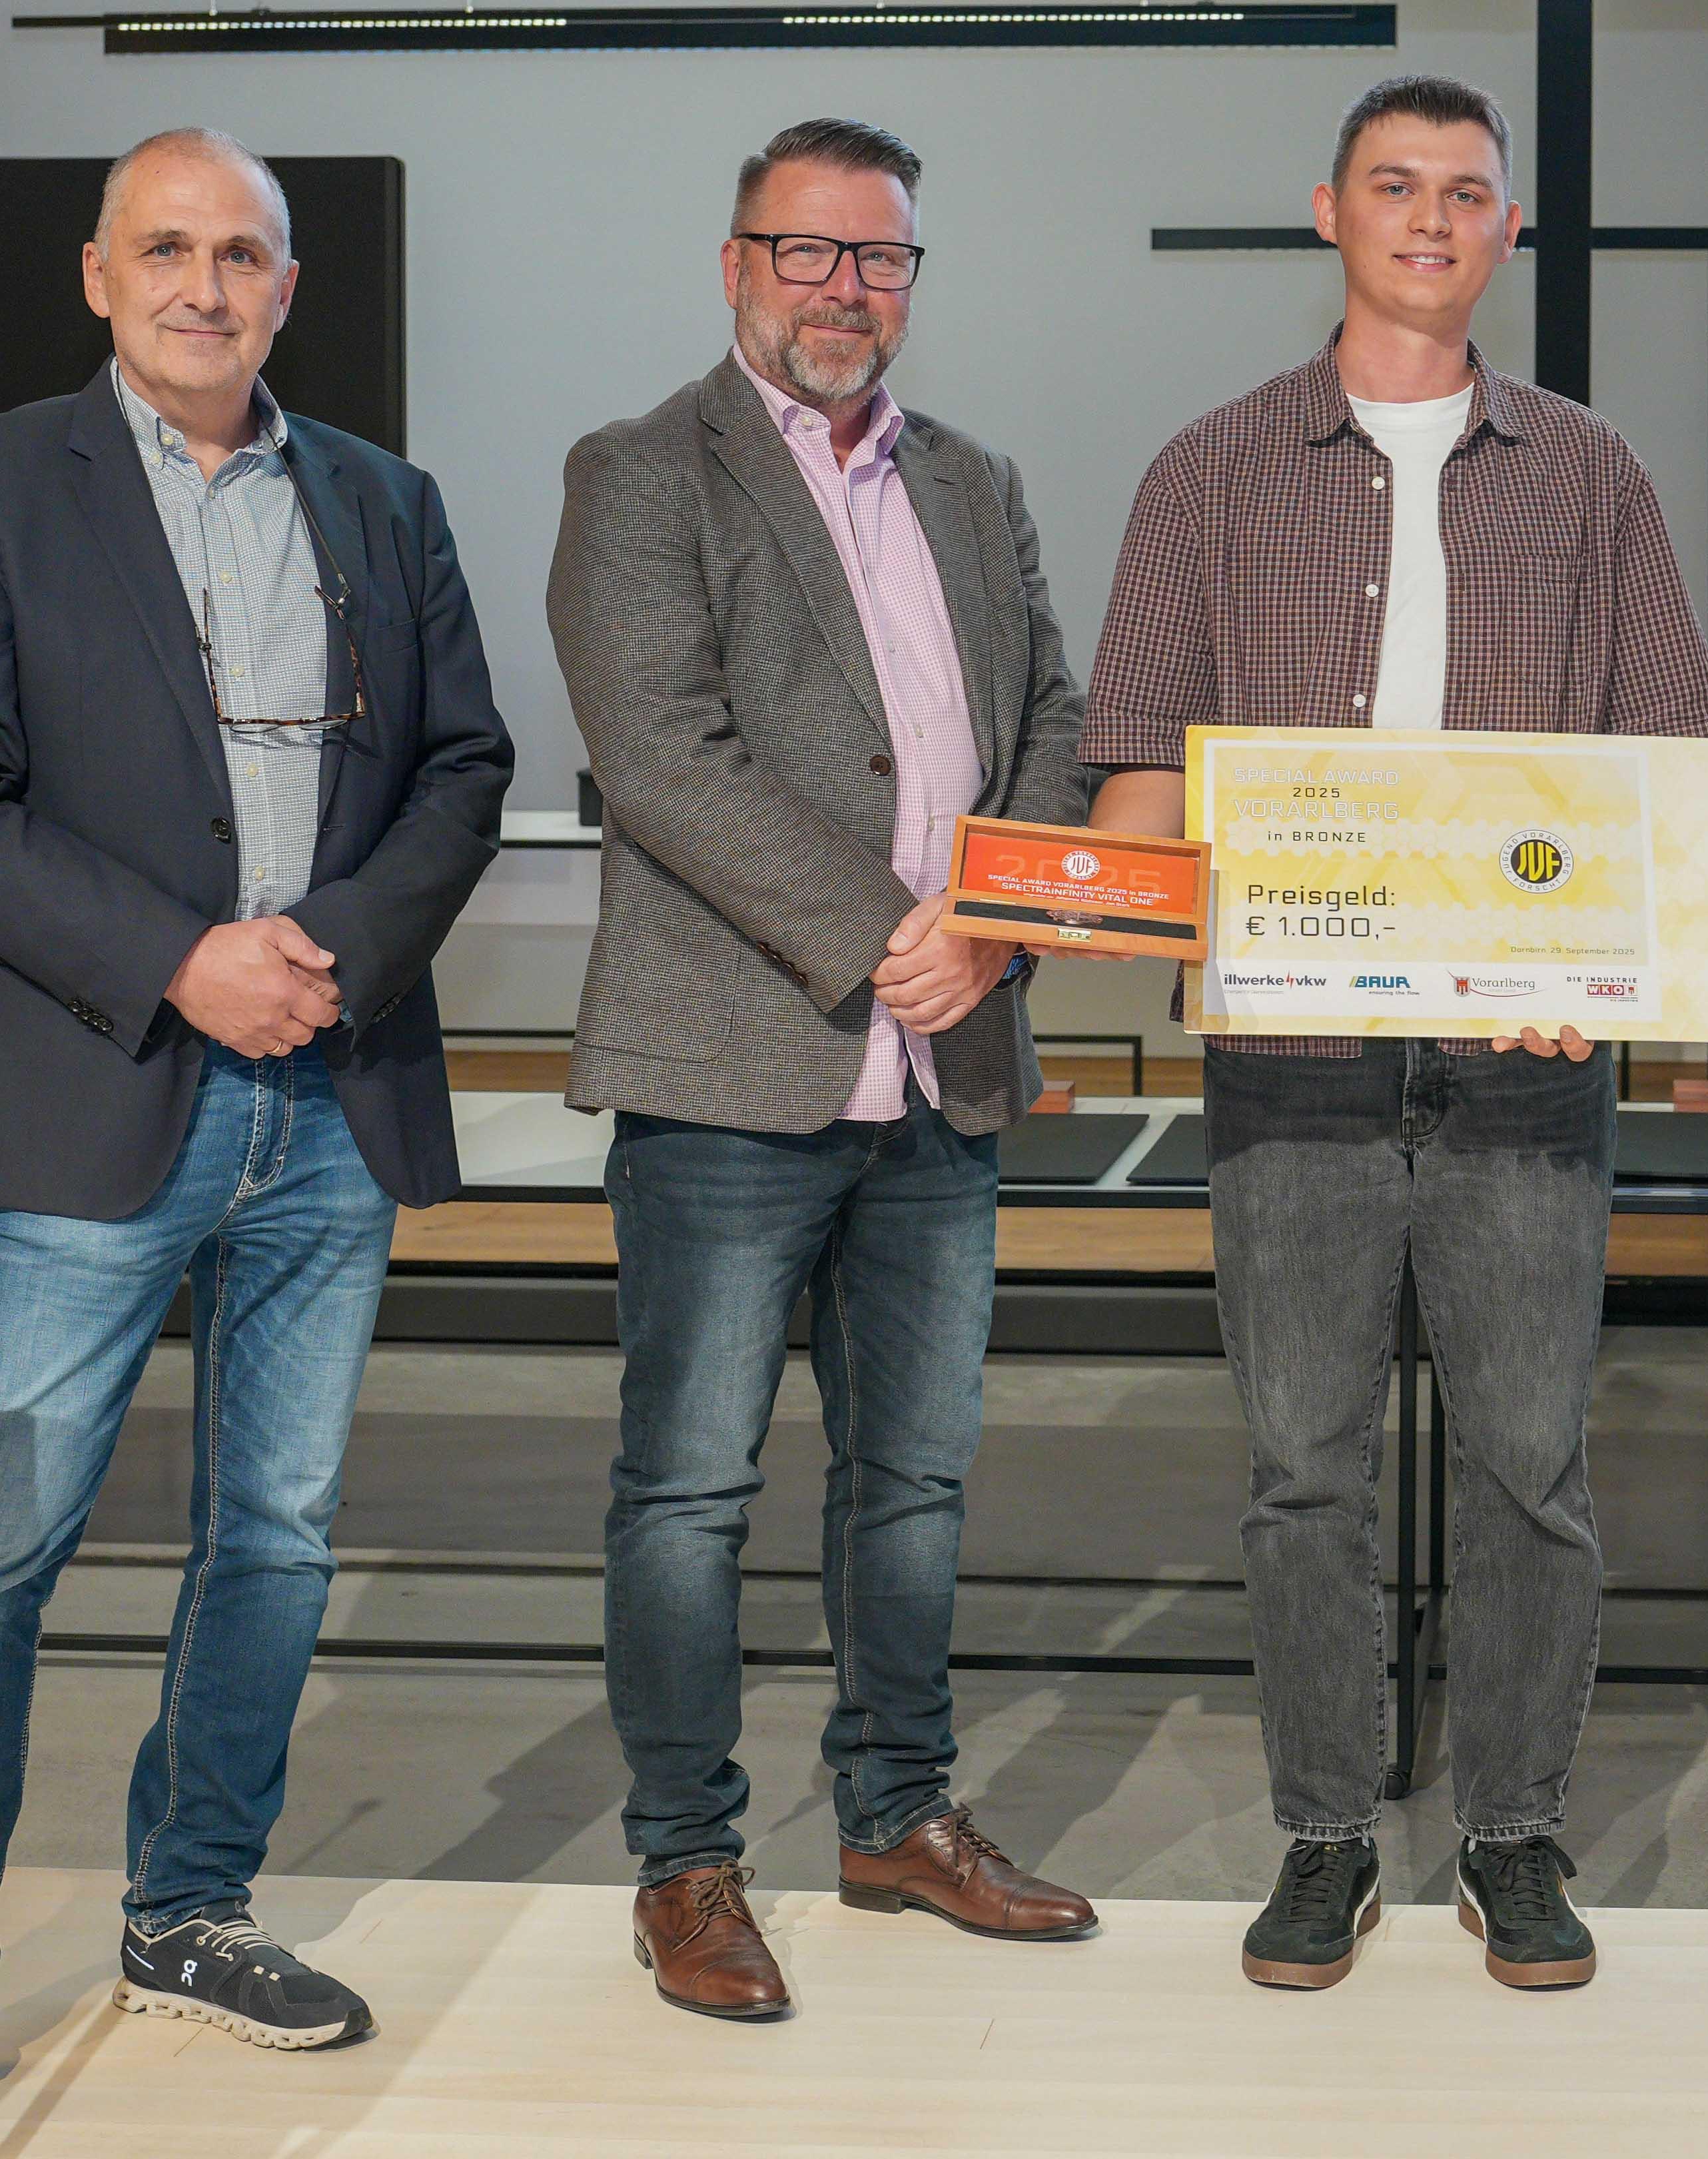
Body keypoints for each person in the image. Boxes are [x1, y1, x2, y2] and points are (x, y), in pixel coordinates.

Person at [0, 126, 512, 2155]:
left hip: (331, 1094)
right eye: (167, 250)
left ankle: (190, 1911)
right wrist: (184, 963)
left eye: (241, 255)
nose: (204, 285)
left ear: (288, 289)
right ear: (99, 274)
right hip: (88, 1088)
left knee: (275, 1542)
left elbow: (464, 766)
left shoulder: (383, 498)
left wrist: (332, 954)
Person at [1080, 74, 1708, 1995]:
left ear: (1508, 229)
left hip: (1529, 1063)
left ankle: (1512, 1833)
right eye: (1396, 185)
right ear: (1331, 211)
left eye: (1466, 192)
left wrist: (1609, 967)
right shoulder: (1208, 472)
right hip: (1291, 1066)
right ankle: (1326, 1834)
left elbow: (1675, 768)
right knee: (1304, 1467)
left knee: (1532, 1464)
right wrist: (1137, 906)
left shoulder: (1593, 475)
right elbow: (1138, 770)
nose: (1433, 218)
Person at [548, 116, 1096, 2022]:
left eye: (880, 258)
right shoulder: (640, 473)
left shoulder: (976, 482)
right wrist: (891, 933)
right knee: (689, 1491)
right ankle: (686, 1861)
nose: (844, 288)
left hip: (949, 1073)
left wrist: (996, 930)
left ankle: (896, 1815)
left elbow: (1053, 722)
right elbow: (661, 753)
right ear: (737, 264)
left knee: (915, 1485)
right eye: (808, 251)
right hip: (733, 1070)